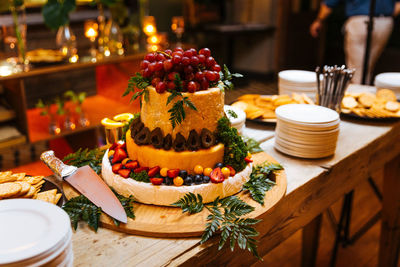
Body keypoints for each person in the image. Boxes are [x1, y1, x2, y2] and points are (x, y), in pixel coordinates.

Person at [310, 0, 400, 84]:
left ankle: (358, 95)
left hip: (359, 20)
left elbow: (329, 3)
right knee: (367, 67)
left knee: (357, 70)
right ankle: (363, 92)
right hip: (385, 22)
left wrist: (319, 20)